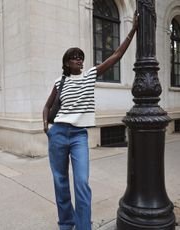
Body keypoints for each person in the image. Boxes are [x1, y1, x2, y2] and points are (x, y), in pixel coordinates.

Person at [43, 11, 139, 230]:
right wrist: (46, 127)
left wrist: (132, 30)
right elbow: (47, 106)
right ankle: (66, 224)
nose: (79, 59)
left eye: (81, 56)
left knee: (82, 183)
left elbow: (115, 56)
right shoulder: (60, 82)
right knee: (60, 182)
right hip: (58, 133)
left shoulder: (89, 75)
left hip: (78, 136)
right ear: (67, 62)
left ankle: (84, 226)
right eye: (75, 57)